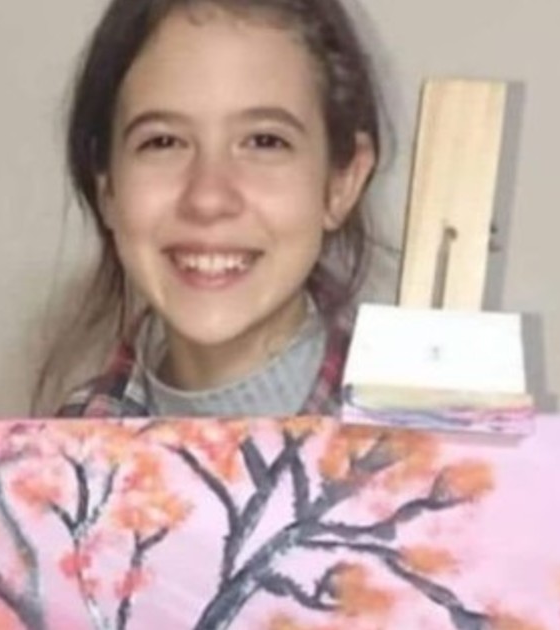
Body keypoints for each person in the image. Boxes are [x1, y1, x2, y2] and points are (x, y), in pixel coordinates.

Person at [34, 0, 387, 419]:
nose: (207, 198)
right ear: (107, 185)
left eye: (264, 141)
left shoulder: (429, 440)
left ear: (342, 182)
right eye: (163, 142)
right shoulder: (59, 448)